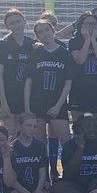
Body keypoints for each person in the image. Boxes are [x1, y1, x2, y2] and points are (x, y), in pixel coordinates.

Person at [25, 18, 73, 179]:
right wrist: (27, 107)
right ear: (37, 36)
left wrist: (59, 106)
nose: (44, 34)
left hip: (57, 105)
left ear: (53, 30)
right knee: (40, 144)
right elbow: (29, 82)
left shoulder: (64, 53)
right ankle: (43, 177)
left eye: (47, 30)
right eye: (40, 32)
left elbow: (68, 82)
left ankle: (67, 176)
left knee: (67, 143)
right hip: (37, 104)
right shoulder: (35, 54)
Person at [0, 8, 34, 130]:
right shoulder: (2, 45)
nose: (16, 25)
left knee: (24, 133)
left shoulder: (32, 44)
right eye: (12, 23)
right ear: (7, 26)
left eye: (18, 21)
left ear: (24, 21)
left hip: (24, 96)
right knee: (8, 134)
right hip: (6, 95)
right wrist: (3, 103)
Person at [67, 10, 97, 120]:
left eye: (93, 23)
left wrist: (94, 40)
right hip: (79, 91)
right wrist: (87, 39)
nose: (89, 26)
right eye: (86, 23)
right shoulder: (74, 41)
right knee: (79, 128)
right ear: (81, 25)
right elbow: (80, 60)